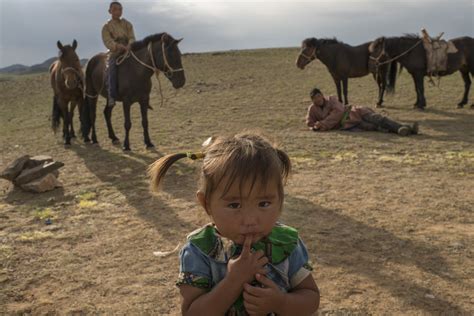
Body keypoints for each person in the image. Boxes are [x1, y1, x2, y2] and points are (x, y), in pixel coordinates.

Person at [148, 132, 320, 315]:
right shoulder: (198, 250)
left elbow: (311, 298)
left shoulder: (287, 242)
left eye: (264, 204)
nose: (251, 220)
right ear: (206, 204)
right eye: (234, 205)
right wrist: (233, 281)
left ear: (280, 200)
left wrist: (280, 302)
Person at [306, 88, 419, 136]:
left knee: (378, 119)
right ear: (313, 100)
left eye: (319, 96)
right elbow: (309, 122)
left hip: (354, 113)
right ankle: (403, 131)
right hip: (347, 124)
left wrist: (323, 123)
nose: (318, 100)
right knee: (374, 127)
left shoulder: (331, 99)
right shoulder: (312, 109)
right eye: (315, 98)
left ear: (322, 95)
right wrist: (315, 127)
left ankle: (404, 127)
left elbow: (339, 111)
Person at [101, 1, 136, 107]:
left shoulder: (127, 23)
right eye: (115, 9)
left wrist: (130, 44)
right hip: (115, 51)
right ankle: (111, 95)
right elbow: (107, 41)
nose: (118, 11)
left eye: (120, 9)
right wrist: (118, 46)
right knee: (111, 67)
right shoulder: (106, 27)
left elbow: (132, 37)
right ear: (109, 11)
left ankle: (141, 91)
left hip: (128, 49)